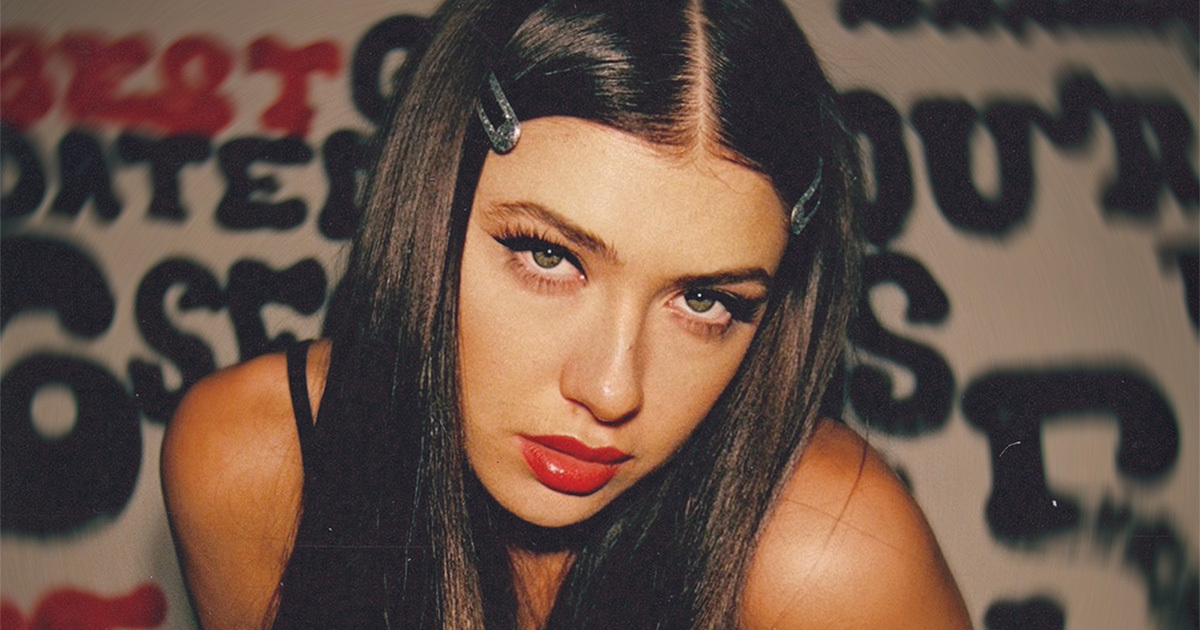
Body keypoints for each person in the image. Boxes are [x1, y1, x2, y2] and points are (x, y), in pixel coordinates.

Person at [161, 0, 971, 628]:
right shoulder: (253, 465)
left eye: (705, 301)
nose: (612, 389)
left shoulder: (831, 560)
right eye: (548, 256)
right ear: (433, 201)